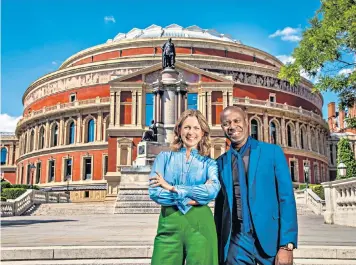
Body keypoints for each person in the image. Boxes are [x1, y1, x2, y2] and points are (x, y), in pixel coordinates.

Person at [214, 106, 298, 265]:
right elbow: (220, 208)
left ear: (246, 122)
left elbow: (286, 199)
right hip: (236, 241)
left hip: (270, 240)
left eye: (236, 121)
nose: (232, 126)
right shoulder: (220, 163)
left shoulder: (272, 152)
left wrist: (287, 246)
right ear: (222, 128)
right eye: (226, 123)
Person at [149, 109, 220, 265]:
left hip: (201, 224)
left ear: (203, 133)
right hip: (169, 225)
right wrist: (194, 196)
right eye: (187, 127)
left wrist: (172, 188)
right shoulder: (164, 158)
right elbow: (155, 192)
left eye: (196, 128)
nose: (191, 132)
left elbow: (212, 191)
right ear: (179, 130)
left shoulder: (209, 164)